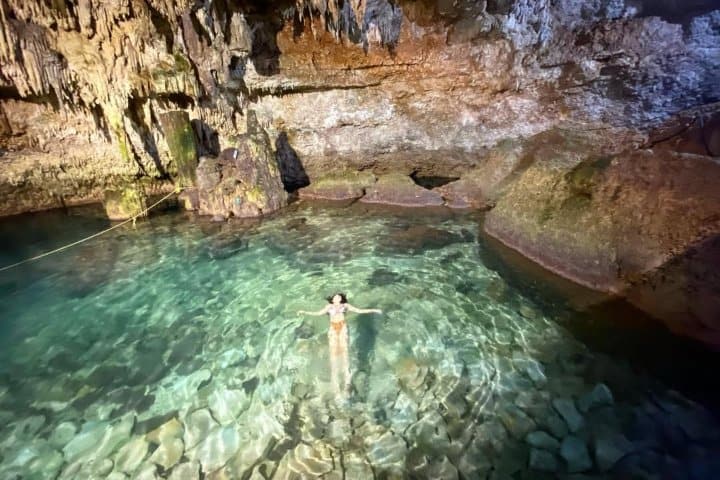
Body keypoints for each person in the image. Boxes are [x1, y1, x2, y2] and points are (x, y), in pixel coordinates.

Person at [298, 293, 382, 398]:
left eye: (338, 296)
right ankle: (336, 387)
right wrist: (304, 311)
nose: (337, 297)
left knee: (345, 354)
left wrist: (374, 310)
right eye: (335, 296)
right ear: (332, 299)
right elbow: (317, 313)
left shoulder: (345, 306)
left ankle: (347, 384)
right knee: (334, 355)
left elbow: (359, 311)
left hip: (342, 328)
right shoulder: (328, 307)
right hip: (333, 329)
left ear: (341, 299)